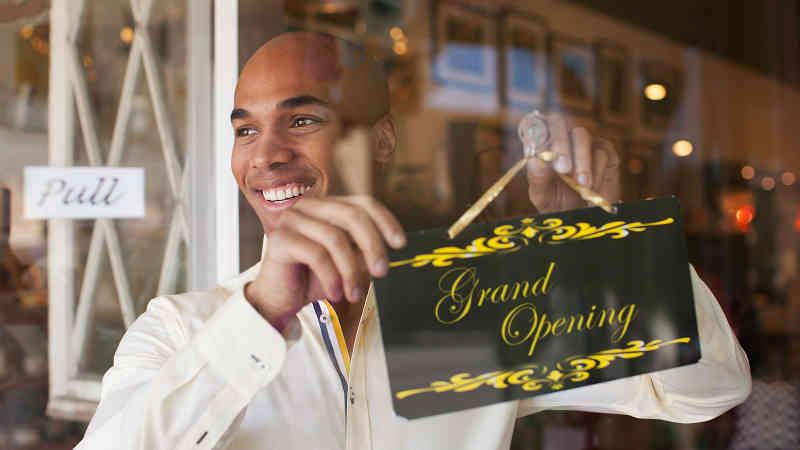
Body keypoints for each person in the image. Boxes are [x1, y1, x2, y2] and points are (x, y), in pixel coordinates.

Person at [75, 31, 750, 450]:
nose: (266, 155)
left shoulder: (474, 309)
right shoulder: (181, 331)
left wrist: (607, 245)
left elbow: (706, 390)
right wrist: (260, 316)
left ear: (383, 141)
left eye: (302, 120)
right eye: (245, 130)